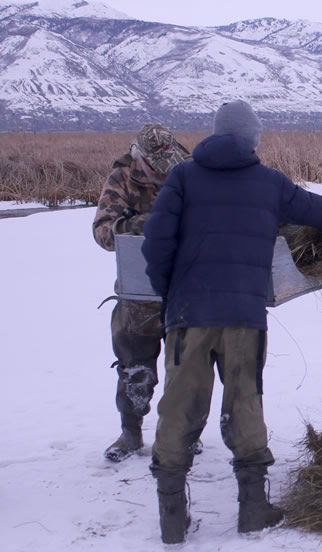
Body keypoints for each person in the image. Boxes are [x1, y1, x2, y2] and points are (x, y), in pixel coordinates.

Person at [141, 100, 322, 544]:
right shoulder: (269, 183)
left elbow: (155, 243)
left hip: (189, 314)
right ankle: (253, 509)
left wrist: (172, 294)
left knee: (180, 403)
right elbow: (319, 212)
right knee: (244, 400)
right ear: (252, 139)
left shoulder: (183, 177)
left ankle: (171, 517)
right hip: (243, 317)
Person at [92, 124, 198, 462]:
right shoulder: (122, 177)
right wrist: (137, 226)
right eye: (158, 169)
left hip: (186, 286)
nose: (165, 174)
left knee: (188, 367)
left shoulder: (189, 169)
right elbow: (102, 232)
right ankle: (131, 433)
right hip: (139, 292)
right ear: (142, 161)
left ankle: (184, 435)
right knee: (135, 369)